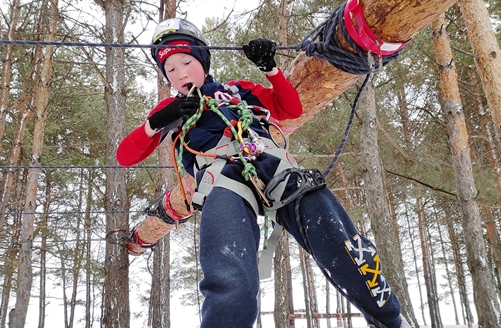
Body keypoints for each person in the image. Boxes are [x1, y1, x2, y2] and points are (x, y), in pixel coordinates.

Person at [116, 18, 411, 328]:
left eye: (187, 62)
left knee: (339, 242)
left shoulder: (237, 92)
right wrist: (161, 119)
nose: (181, 74)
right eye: (171, 70)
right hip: (222, 181)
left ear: (202, 60)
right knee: (230, 276)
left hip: (271, 164)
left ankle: (391, 321)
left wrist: (271, 69)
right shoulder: (172, 110)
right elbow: (126, 156)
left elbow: (290, 108)